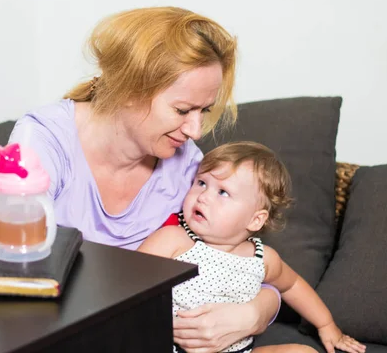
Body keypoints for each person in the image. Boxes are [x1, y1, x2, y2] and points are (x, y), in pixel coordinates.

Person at [8, 6, 280, 352]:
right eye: (183, 110)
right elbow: (15, 270)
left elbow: (238, 262)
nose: (195, 130)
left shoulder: (186, 166)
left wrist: (256, 312)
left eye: (204, 111)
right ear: (130, 90)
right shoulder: (45, 141)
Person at [138, 141, 367, 353]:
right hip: (174, 348)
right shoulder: (173, 240)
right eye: (201, 183)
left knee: (304, 352)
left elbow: (293, 285)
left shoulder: (263, 258)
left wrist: (326, 324)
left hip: (239, 350)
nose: (203, 197)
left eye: (223, 192)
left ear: (255, 220)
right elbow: (127, 287)